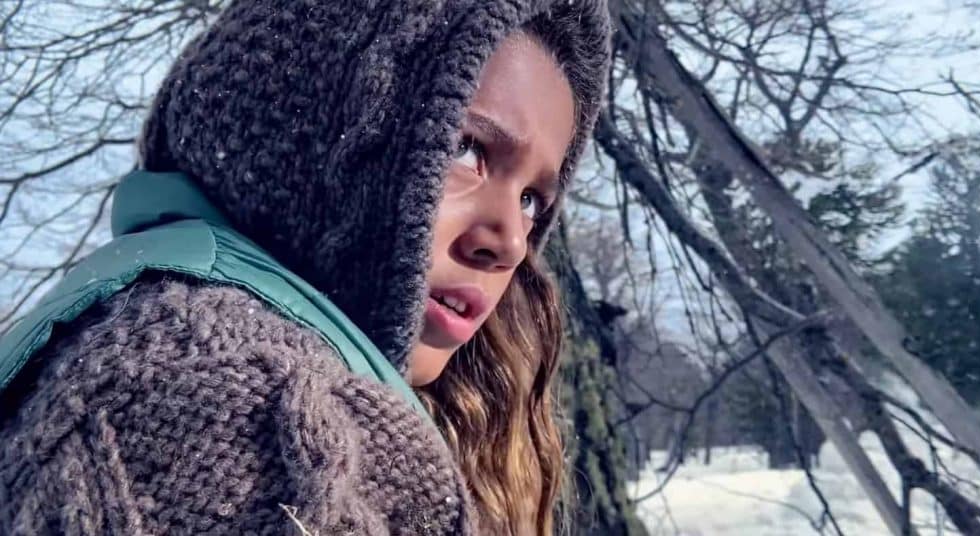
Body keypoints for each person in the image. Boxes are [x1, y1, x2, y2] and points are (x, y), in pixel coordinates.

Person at [0, 0, 611, 534]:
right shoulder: (232, 406)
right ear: (310, 129)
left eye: (533, 199)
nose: (509, 242)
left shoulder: (132, 340)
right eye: (465, 149)